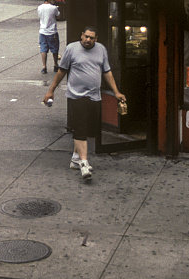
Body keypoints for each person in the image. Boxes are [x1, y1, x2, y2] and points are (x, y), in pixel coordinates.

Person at [42, 26, 126, 182]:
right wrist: (50, 90)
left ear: (96, 39)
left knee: (87, 128)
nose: (88, 40)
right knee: (80, 128)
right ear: (81, 35)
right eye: (86, 36)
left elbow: (107, 71)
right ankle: (84, 163)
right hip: (76, 95)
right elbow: (62, 71)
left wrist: (116, 92)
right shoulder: (71, 49)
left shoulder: (101, 49)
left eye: (92, 38)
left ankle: (75, 158)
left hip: (94, 96)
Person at [37, 0, 61, 74]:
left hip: (42, 31)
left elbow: (40, 16)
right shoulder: (53, 8)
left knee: (43, 49)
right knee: (54, 49)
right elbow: (58, 15)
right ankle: (55, 65)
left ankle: (44, 67)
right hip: (52, 31)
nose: (54, 0)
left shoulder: (39, 7)